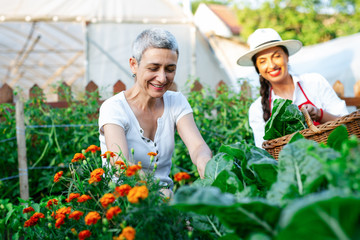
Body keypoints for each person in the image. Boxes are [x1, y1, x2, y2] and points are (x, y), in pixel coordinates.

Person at [98, 28, 212, 190]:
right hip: (122, 201)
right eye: (153, 68)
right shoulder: (114, 108)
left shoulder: (176, 102)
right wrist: (158, 193)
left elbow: (198, 147)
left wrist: (205, 163)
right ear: (133, 65)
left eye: (170, 69)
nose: (162, 78)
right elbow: (120, 163)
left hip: (163, 204)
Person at [237, 28, 349, 148]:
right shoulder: (257, 109)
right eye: (262, 61)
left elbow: (347, 125)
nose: (271, 65)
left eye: (276, 56)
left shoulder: (314, 82)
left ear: (287, 57)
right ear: (257, 68)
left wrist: (319, 114)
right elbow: (264, 153)